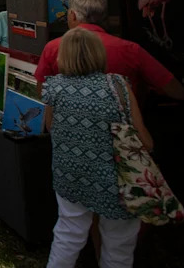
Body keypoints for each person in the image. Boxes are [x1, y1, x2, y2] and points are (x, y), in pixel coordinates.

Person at [42, 27, 153, 268]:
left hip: (70, 173)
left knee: (68, 233)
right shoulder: (119, 86)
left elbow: (50, 126)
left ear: (64, 55)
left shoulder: (54, 87)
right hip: (116, 178)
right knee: (118, 243)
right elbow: (144, 140)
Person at [34, 0, 184, 101]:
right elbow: (177, 91)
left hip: (71, 136)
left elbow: (42, 93)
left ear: (72, 15)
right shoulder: (130, 49)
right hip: (122, 137)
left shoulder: (53, 48)